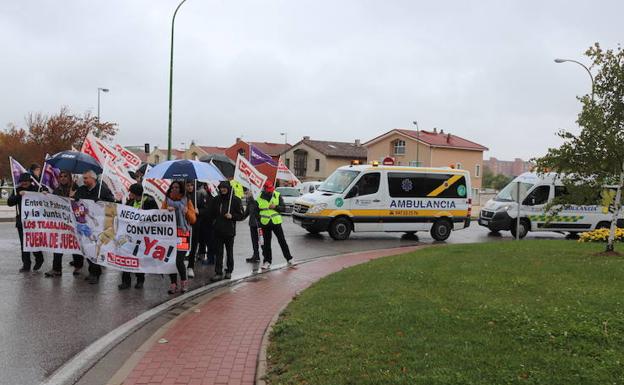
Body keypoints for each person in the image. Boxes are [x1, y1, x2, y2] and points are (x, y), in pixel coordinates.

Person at [74, 169, 115, 284]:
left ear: (93, 178)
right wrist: (75, 199)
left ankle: (95, 273)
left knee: (95, 248)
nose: (84, 180)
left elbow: (112, 202)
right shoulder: (81, 189)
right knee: (87, 248)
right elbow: (76, 200)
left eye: (86, 178)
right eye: (83, 178)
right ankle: (92, 271)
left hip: (98, 225)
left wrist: (102, 201)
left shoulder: (103, 189)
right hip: (85, 224)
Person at [118, 183, 159, 290]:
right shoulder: (131, 201)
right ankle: (125, 281)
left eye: (131, 192)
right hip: (130, 235)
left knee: (139, 258)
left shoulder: (149, 201)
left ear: (136, 193)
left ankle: (140, 280)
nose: (129, 194)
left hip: (142, 236)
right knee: (126, 257)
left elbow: (155, 216)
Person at [162, 181, 196, 294]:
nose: (174, 189)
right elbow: (160, 215)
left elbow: (193, 219)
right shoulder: (167, 200)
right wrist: (167, 211)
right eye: (172, 187)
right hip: (169, 234)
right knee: (170, 259)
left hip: (183, 233)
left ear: (181, 189)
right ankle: (173, 283)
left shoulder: (187, 201)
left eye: (177, 187)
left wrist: (186, 212)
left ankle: (183, 281)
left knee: (178, 260)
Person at [45, 170, 80, 277]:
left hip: (74, 222)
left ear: (69, 177)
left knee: (75, 245)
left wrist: (74, 197)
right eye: (61, 176)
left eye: (65, 176)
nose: (63, 178)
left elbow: (82, 205)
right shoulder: (57, 190)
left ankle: (78, 265)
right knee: (58, 245)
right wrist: (45, 196)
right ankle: (56, 269)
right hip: (60, 223)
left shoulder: (76, 189)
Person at [7, 173, 44, 272]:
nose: (24, 183)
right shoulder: (17, 190)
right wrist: (18, 195)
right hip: (22, 222)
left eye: (26, 181)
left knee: (34, 243)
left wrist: (44, 193)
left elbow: (45, 201)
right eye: (22, 181)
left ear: (30, 181)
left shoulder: (36, 189)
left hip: (35, 222)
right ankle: (26, 265)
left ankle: (39, 258)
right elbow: (9, 202)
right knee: (24, 244)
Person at [210, 181, 244, 281]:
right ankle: (218, 272)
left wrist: (232, 216)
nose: (223, 189)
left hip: (229, 231)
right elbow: (211, 213)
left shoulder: (235, 200)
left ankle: (229, 271)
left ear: (229, 188)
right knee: (219, 253)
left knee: (229, 252)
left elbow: (241, 215)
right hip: (218, 230)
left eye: (225, 187)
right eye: (221, 188)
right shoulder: (216, 199)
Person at [257, 181, 293, 270]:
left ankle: (289, 258)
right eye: (268, 189)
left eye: (271, 189)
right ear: (264, 189)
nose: (270, 191)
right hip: (265, 223)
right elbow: (255, 210)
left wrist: (275, 207)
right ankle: (267, 261)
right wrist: (259, 220)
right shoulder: (259, 197)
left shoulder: (277, 194)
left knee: (282, 241)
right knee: (266, 244)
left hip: (276, 222)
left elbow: (283, 208)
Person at [186, 181, 208, 278]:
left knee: (193, 245)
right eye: (188, 185)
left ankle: (190, 266)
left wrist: (199, 211)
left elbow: (205, 209)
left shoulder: (198, 195)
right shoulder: (182, 196)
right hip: (184, 225)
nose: (190, 187)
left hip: (195, 225)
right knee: (182, 246)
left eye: (191, 185)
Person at [243, 189, 261, 263]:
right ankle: (256, 256)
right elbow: (246, 213)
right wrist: (236, 217)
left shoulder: (259, 199)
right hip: (252, 224)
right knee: (254, 241)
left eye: (249, 191)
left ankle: (267, 258)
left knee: (262, 242)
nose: (247, 192)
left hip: (260, 224)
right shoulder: (250, 201)